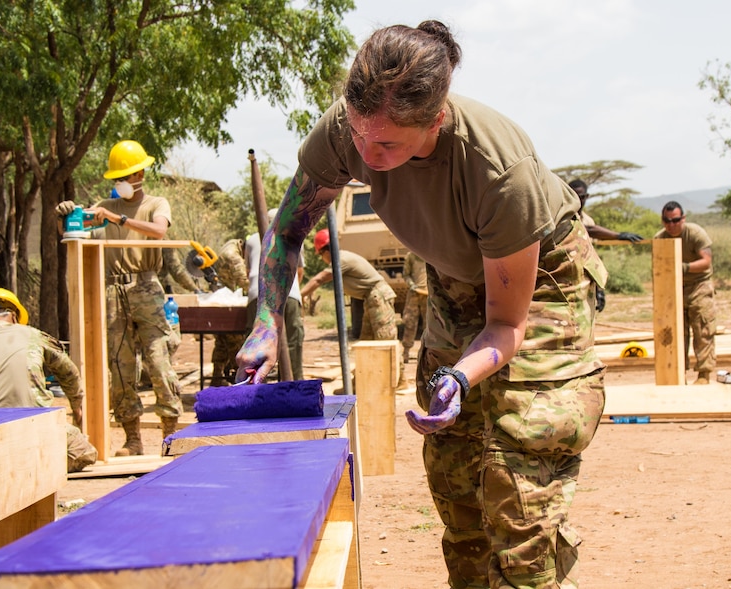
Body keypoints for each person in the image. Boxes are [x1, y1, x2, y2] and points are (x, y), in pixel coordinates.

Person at [236, 21, 607, 589]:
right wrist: (265, 322)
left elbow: (507, 325)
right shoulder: (347, 129)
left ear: (435, 119)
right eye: (360, 135)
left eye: (387, 144)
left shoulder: (498, 170)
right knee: (455, 472)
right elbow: (285, 233)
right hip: (456, 272)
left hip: (543, 278)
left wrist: (462, 372)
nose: (366, 153)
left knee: (518, 474)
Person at [55, 139, 183, 456]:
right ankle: (133, 439)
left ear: (140, 174)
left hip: (147, 288)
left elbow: (159, 232)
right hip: (112, 290)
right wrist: (66, 215)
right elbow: (75, 228)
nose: (121, 183)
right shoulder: (105, 206)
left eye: (125, 176)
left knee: (158, 361)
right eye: (117, 178)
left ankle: (170, 435)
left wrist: (119, 219)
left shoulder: (156, 203)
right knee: (121, 368)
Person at [0, 288, 98, 473]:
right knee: (85, 453)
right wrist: (76, 404)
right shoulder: (33, 335)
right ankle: (34, 465)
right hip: (36, 424)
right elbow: (68, 372)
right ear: (14, 316)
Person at [654, 201, 716, 384]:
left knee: (702, 330)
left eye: (675, 220)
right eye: (667, 221)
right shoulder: (660, 238)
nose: (671, 225)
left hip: (699, 286)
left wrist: (684, 267)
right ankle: (679, 374)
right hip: (674, 288)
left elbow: (706, 261)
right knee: (675, 334)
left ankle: (704, 374)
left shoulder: (695, 233)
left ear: (683, 219)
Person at [301, 229, 397, 342]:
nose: (322, 259)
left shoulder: (341, 260)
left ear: (326, 251)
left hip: (378, 296)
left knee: (385, 340)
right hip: (371, 298)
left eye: (321, 254)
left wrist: (299, 295)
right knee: (368, 340)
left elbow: (319, 279)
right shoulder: (341, 258)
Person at [246, 209, 305, 380]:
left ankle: (255, 385)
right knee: (293, 341)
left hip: (258, 294)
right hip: (290, 294)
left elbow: (248, 271)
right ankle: (295, 383)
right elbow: (299, 271)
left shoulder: (251, 240)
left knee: (256, 340)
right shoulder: (293, 236)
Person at [568, 179, 643, 312]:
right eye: (575, 196)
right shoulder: (564, 217)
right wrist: (617, 235)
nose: (579, 200)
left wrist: (599, 289)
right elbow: (589, 230)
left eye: (582, 197)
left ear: (587, 197)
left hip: (583, 274)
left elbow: (591, 256)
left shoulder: (588, 219)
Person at [209, 237, 250, 385]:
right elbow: (244, 282)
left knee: (221, 341)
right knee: (235, 340)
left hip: (221, 299)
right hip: (227, 304)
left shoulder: (231, 244)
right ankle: (239, 377)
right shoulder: (234, 255)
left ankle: (217, 376)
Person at [401, 251, 427, 363]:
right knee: (410, 322)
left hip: (428, 294)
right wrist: (412, 285)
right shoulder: (411, 256)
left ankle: (427, 354)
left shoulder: (431, 253)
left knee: (430, 325)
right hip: (414, 294)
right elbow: (406, 274)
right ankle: (406, 352)